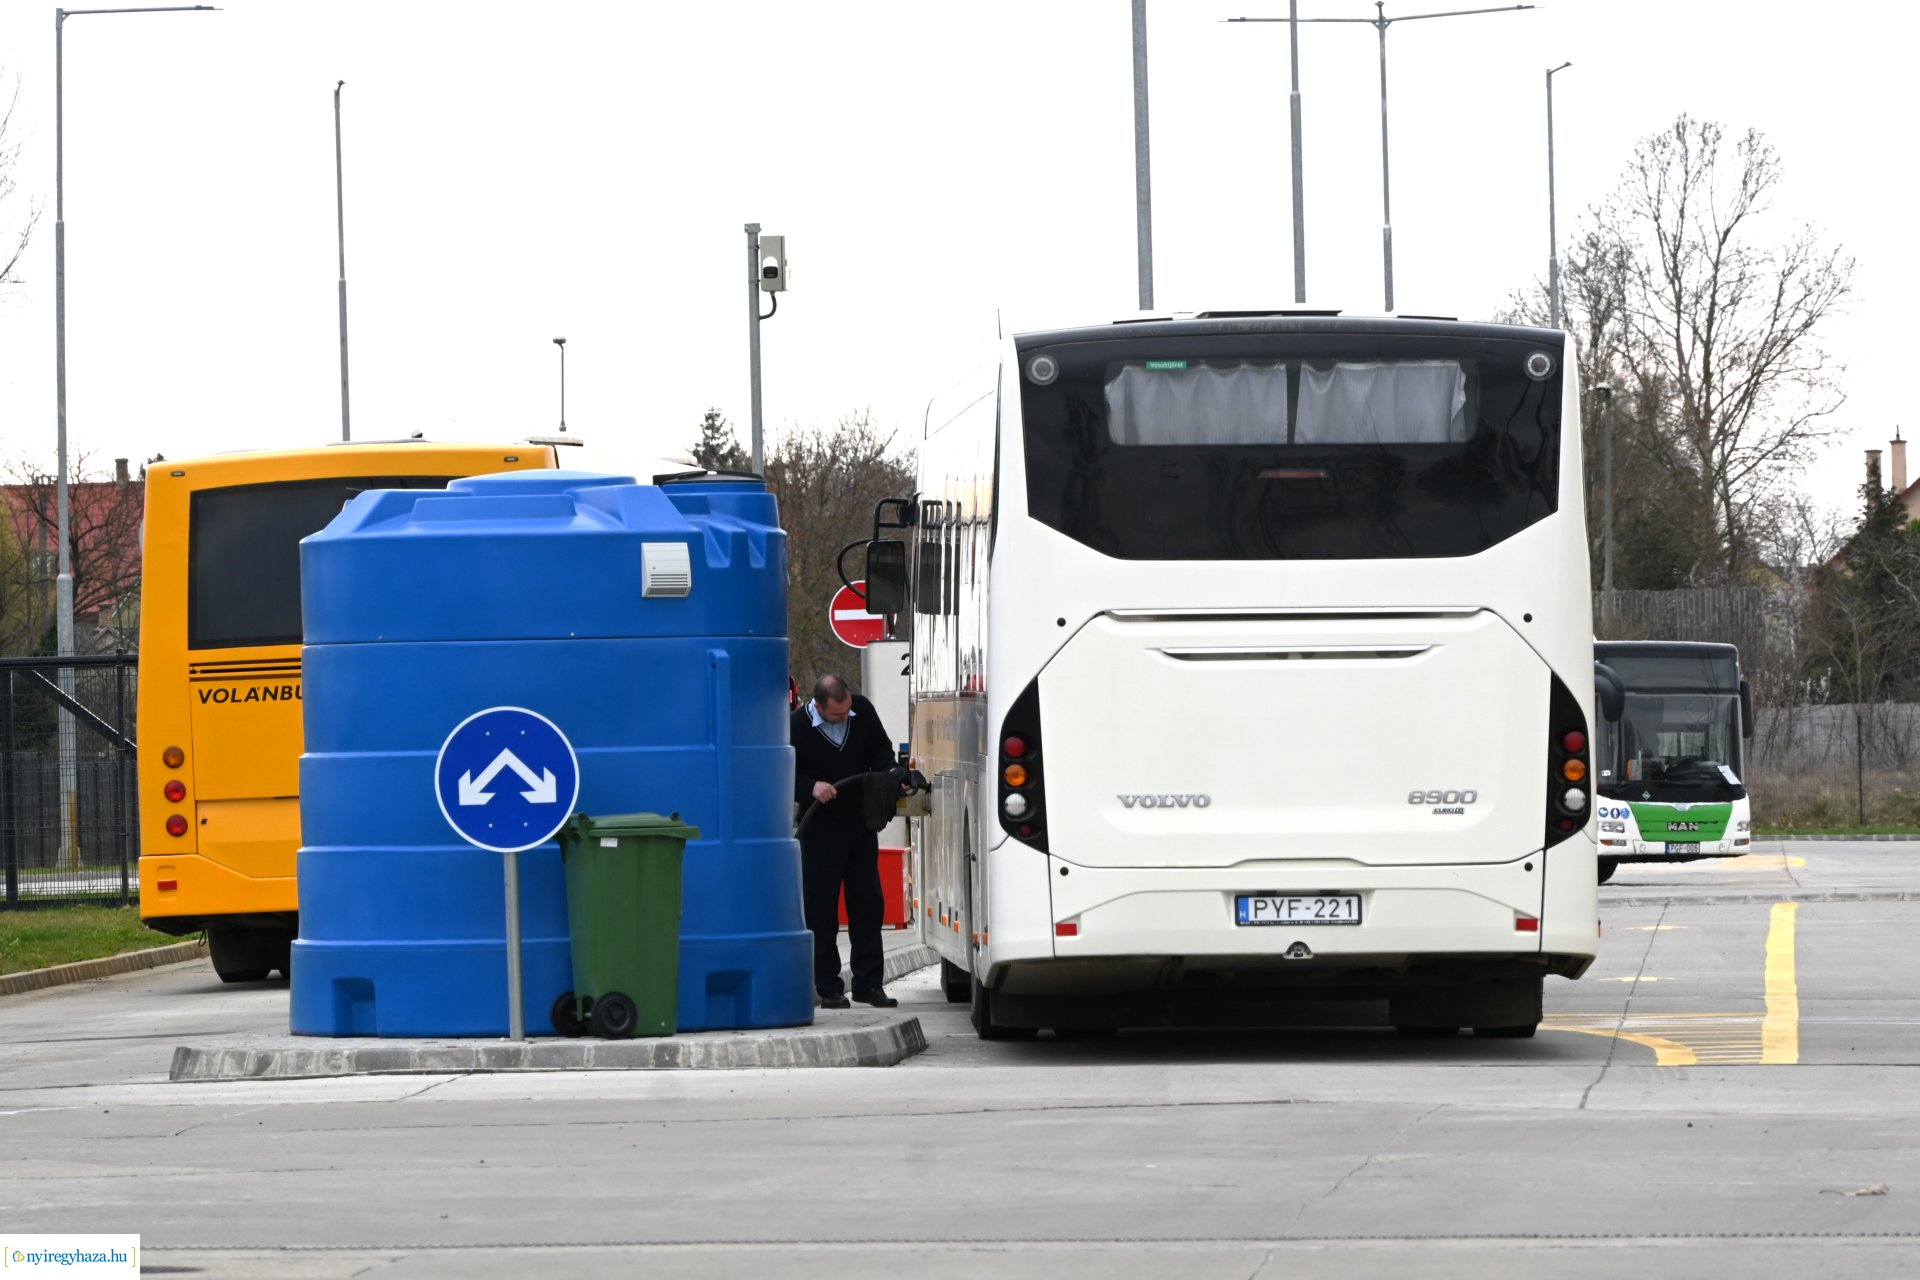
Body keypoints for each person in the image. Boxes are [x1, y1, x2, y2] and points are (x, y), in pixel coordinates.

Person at [791, 673, 900, 1009]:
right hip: (820, 827)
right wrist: (811, 787)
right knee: (821, 908)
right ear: (819, 705)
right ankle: (829, 987)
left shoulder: (862, 711)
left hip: (859, 822)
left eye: (847, 711)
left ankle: (869, 984)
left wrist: (890, 774)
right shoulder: (795, 726)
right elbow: (781, 770)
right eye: (837, 715)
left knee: (868, 903)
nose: (845, 718)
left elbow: (882, 750)